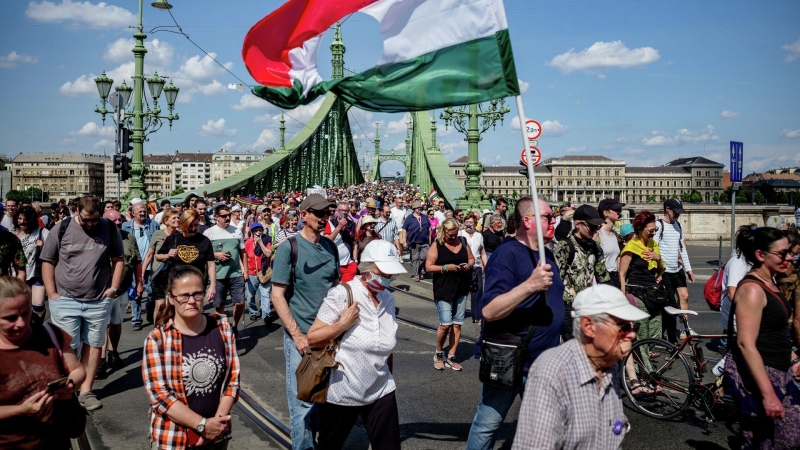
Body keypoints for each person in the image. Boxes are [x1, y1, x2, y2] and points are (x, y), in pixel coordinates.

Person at [465, 196, 564, 450]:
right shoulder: (506, 254)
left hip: (544, 360)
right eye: (547, 217)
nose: (553, 221)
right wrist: (530, 285)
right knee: (488, 423)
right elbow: (489, 310)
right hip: (510, 356)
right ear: (528, 221)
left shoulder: (546, 254)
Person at [513, 284, 646, 449]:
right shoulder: (552, 372)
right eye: (623, 327)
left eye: (634, 327)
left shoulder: (608, 363)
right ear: (589, 327)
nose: (632, 334)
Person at [307, 240, 406, 450]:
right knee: (329, 446)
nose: (388, 278)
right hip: (343, 391)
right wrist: (342, 324)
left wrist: (390, 374)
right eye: (383, 272)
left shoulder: (388, 299)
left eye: (391, 274)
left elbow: (387, 347)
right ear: (368, 268)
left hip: (381, 389)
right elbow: (313, 338)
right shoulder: (343, 293)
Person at [40, 195, 124, 411]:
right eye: (86, 220)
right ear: (77, 211)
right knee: (69, 346)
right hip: (65, 298)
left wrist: (113, 289)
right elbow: (48, 261)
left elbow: (118, 260)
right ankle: (69, 390)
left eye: (94, 220)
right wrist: (51, 293)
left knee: (94, 344)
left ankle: (86, 391)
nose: (90, 224)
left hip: (98, 299)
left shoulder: (108, 228)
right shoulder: (61, 228)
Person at [143, 265, 240, 450]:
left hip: (217, 435)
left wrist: (215, 425)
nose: (192, 301)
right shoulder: (158, 339)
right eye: (184, 296)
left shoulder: (222, 328)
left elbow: (232, 381)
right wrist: (202, 425)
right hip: (174, 438)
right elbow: (160, 395)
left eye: (197, 294)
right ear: (171, 298)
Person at [271, 193, 340, 450]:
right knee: (302, 406)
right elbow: (277, 295)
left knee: (326, 400)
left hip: (329, 336)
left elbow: (336, 289)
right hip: (301, 338)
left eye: (327, 214)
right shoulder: (290, 248)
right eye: (319, 213)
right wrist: (297, 336)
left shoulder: (331, 247)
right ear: (304, 215)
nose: (324, 218)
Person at [724, 226, 800, 449]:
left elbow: (774, 331)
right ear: (760, 255)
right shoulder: (752, 290)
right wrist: (768, 394)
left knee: (785, 437)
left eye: (789, 252)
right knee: (769, 440)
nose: (789, 258)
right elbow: (745, 343)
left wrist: (793, 358)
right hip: (761, 375)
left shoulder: (770, 282)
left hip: (778, 371)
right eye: (782, 253)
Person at [0, 276, 87, 449]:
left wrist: (71, 385)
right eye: (10, 318)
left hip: (56, 441)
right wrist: (22, 409)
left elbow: (77, 370)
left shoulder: (50, 334)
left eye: (25, 312)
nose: (22, 323)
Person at [619, 210, 665, 383]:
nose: (654, 233)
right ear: (639, 229)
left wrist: (657, 258)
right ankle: (647, 375)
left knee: (656, 335)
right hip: (637, 294)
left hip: (653, 294)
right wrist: (623, 297)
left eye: (655, 230)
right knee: (643, 336)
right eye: (650, 230)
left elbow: (661, 270)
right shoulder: (630, 247)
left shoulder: (653, 245)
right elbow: (622, 274)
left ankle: (639, 365)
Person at [97, 209, 143, 379]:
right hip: (101, 291)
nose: (118, 222)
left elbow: (137, 261)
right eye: (113, 220)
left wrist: (139, 282)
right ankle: (100, 361)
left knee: (116, 323)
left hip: (122, 290)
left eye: (119, 219)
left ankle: (113, 352)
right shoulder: (98, 237)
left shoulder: (129, 237)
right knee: (101, 326)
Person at [555, 205, 611, 341]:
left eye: (597, 228)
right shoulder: (564, 246)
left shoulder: (595, 247)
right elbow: (556, 279)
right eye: (591, 227)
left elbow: (603, 276)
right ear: (578, 224)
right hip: (568, 306)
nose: (595, 231)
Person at [426, 218, 474, 371]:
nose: (453, 238)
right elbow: (428, 267)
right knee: (445, 324)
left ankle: (451, 357)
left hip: (461, 288)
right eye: (450, 235)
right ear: (444, 232)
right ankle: (439, 353)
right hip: (443, 289)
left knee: (457, 324)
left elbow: (472, 259)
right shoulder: (437, 244)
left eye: (455, 235)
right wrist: (445, 268)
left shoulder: (463, 241)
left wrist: (468, 265)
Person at [155, 210, 217, 324]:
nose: (193, 228)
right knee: (173, 313)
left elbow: (211, 264)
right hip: (177, 284)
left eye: (196, 225)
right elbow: (158, 256)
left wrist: (212, 285)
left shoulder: (204, 241)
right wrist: (168, 254)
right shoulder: (173, 238)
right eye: (190, 226)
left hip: (197, 285)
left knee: (194, 313)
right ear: (183, 224)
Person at [654, 198, 695, 342]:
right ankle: (670, 338)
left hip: (677, 269)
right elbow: (655, 247)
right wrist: (657, 271)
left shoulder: (678, 225)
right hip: (665, 271)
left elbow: (682, 248)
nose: (678, 215)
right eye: (676, 212)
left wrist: (688, 269)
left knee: (684, 296)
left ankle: (685, 328)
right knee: (670, 305)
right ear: (667, 210)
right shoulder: (659, 225)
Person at [204, 205, 247, 337]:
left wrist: (245, 270)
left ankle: (234, 325)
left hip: (236, 273)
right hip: (218, 275)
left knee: (240, 302)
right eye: (223, 216)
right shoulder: (209, 233)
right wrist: (216, 255)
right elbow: (204, 254)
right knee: (220, 306)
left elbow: (243, 252)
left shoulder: (237, 231)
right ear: (216, 217)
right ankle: (223, 329)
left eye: (228, 215)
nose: (227, 218)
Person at [123, 201, 159, 332]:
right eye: (140, 212)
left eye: (144, 211)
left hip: (150, 265)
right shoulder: (126, 226)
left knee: (151, 292)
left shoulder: (153, 225)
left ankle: (150, 310)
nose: (143, 213)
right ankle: (136, 319)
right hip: (133, 265)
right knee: (135, 294)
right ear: (133, 213)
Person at [142, 208, 179, 328]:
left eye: (178, 217)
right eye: (174, 218)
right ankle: (157, 329)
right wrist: (141, 274)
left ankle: (170, 328)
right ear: (166, 221)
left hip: (174, 274)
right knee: (160, 305)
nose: (177, 220)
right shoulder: (158, 234)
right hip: (159, 273)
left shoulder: (180, 236)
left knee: (173, 304)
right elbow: (150, 254)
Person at [13, 205, 48, 318]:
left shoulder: (41, 232)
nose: (22, 222)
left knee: (38, 305)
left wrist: (43, 247)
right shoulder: (13, 235)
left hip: (37, 273)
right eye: (20, 219)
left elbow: (53, 252)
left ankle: (38, 326)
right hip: (18, 274)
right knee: (23, 306)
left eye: (25, 219)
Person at [460, 215, 488, 324]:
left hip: (476, 267)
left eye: (471, 222)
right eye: (466, 221)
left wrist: (486, 265)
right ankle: (458, 312)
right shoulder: (460, 234)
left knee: (478, 290)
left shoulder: (479, 236)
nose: (468, 224)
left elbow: (483, 252)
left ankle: (477, 316)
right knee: (462, 291)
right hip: (462, 267)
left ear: (475, 224)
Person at [245, 223, 272, 323]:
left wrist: (260, 243)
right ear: (252, 232)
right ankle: (253, 312)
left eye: (260, 230)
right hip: (252, 273)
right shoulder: (248, 243)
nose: (258, 232)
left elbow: (268, 253)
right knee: (250, 296)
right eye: (256, 231)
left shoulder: (266, 240)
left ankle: (266, 314)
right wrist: (245, 271)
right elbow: (244, 257)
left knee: (265, 294)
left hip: (264, 272)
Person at [325, 202, 357, 282]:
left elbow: (354, 244)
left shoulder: (352, 224)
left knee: (347, 289)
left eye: (346, 210)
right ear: (338, 211)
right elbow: (327, 241)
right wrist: (339, 226)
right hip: (333, 263)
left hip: (348, 264)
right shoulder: (330, 223)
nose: (344, 212)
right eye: (342, 210)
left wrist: (355, 261)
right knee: (334, 290)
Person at [597, 199, 625, 288]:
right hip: (602, 280)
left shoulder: (615, 234)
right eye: (616, 210)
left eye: (620, 209)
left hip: (614, 278)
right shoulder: (598, 234)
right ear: (606, 213)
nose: (620, 211)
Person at [403, 200, 431, 282]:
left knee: (424, 256)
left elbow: (429, 229)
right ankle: (416, 274)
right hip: (414, 242)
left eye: (420, 208)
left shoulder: (425, 217)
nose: (420, 209)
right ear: (414, 209)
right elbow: (404, 229)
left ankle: (420, 269)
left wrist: (430, 240)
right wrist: (404, 241)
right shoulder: (409, 218)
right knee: (415, 258)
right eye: (418, 208)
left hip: (425, 241)